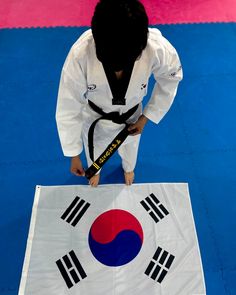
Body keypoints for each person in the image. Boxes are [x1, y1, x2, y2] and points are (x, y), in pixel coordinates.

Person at [56, 0, 183, 187]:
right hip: (96, 117)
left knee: (131, 149)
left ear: (142, 43)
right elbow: (68, 105)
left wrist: (146, 117)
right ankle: (96, 170)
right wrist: (74, 154)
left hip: (133, 118)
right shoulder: (80, 53)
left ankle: (129, 168)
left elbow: (171, 77)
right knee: (94, 151)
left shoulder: (156, 48)